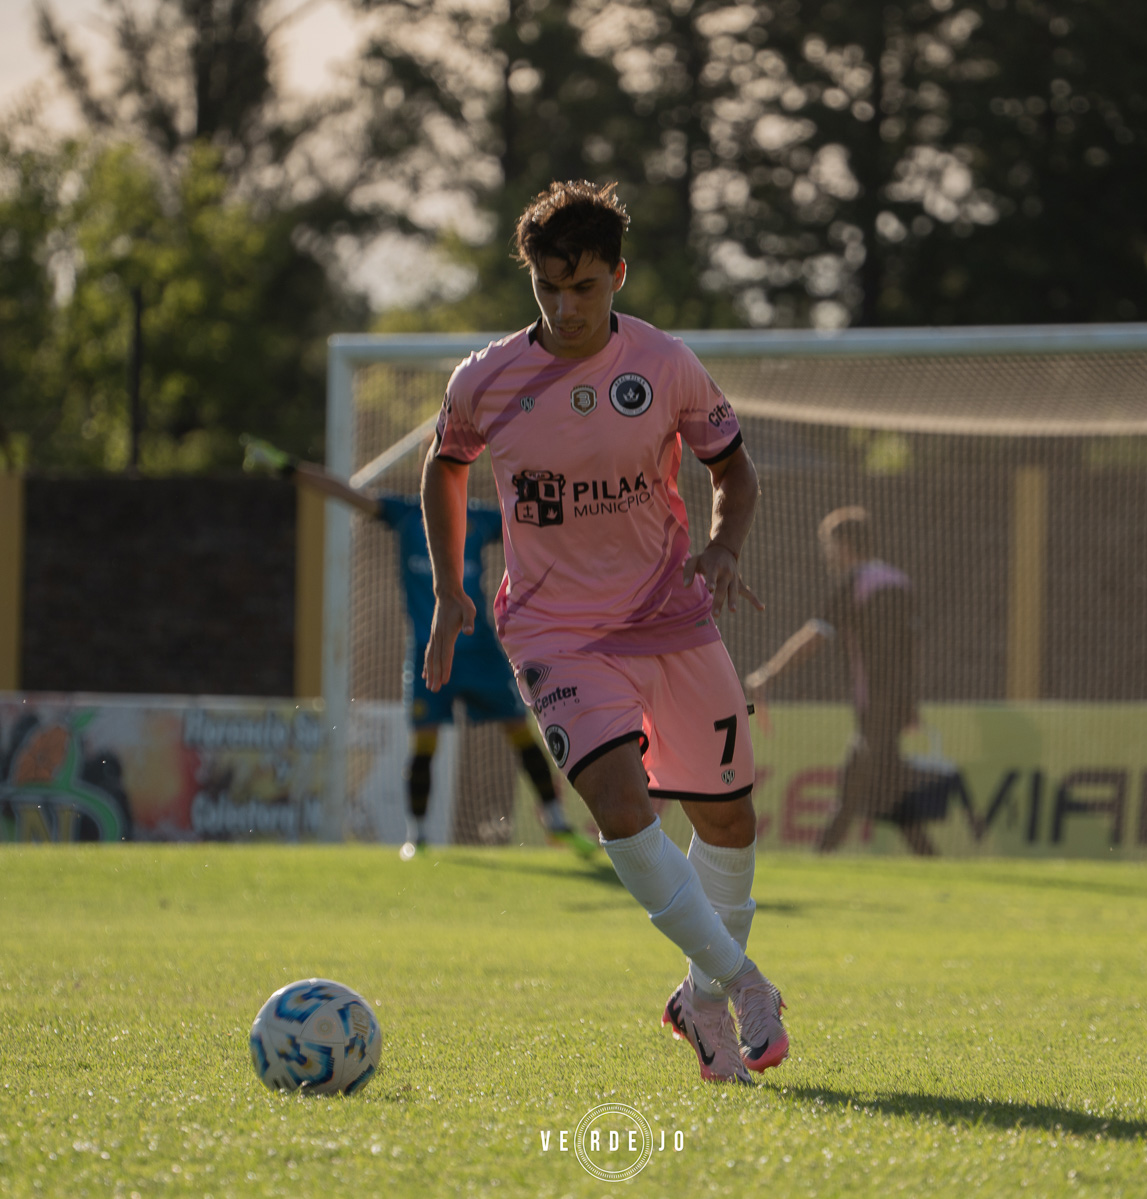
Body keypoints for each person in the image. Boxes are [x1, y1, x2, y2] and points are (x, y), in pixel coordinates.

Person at [421, 180, 788, 1084]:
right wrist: (450, 590)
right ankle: (745, 984)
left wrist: (721, 547)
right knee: (622, 808)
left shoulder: (664, 365)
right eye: (548, 287)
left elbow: (734, 472)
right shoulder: (485, 378)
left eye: (583, 287)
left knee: (730, 817)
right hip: (553, 631)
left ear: (617, 276)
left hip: (670, 614)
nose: (564, 306)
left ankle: (699, 1000)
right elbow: (444, 467)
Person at [295, 461, 596, 861]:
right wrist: (294, 472)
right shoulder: (404, 516)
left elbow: (537, 518)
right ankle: (415, 836)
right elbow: (351, 495)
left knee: (519, 733)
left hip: (481, 651)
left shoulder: (480, 517)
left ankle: (556, 822)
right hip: (429, 651)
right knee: (425, 744)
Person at [745, 506, 952, 854]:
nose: (826, 554)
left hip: (875, 707)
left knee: (851, 790)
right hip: (895, 705)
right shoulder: (899, 582)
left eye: (828, 545)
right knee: (891, 800)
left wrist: (768, 674)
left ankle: (817, 865)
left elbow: (814, 636)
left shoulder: (857, 584)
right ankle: (935, 866)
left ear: (843, 545)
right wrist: (909, 704)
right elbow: (911, 653)